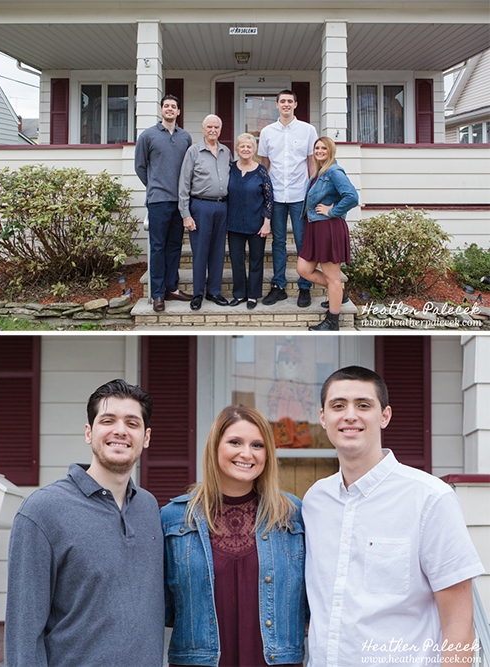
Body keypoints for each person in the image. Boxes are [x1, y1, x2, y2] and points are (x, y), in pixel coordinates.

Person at [303, 366, 483, 666]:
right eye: (338, 406)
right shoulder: (314, 502)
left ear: (384, 416)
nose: (349, 415)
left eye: (363, 405)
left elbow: (459, 623)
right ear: (323, 417)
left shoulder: (430, 499)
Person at [5, 379, 164, 666]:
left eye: (132, 423)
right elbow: (23, 634)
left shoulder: (149, 508)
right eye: (108, 420)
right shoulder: (42, 511)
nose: (120, 430)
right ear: (89, 433)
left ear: (146, 436)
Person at [161, 405, 306, 667]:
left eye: (258, 445)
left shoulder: (293, 515)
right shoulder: (174, 518)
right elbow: (163, 607)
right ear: (215, 447)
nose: (246, 453)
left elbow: (312, 600)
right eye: (235, 442)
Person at [257, 90, 319, 307]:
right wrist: (262, 193)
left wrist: (313, 190)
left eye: (289, 101)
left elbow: (312, 163)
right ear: (276, 105)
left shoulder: (308, 130)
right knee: (279, 242)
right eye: (282, 101)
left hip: (300, 195)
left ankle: (305, 286)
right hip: (276, 195)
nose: (286, 104)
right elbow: (264, 165)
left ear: (295, 104)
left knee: (303, 242)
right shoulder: (267, 132)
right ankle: (279, 286)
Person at [134, 94, 194, 312]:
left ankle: (172, 288)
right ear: (161, 110)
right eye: (166, 106)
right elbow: (140, 167)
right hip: (158, 201)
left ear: (178, 112)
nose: (170, 109)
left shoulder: (185, 137)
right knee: (158, 247)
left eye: (174, 106)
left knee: (174, 247)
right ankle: (158, 293)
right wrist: (154, 186)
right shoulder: (148, 136)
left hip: (180, 201)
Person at [297, 137, 358, 331]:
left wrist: (332, 211)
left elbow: (352, 197)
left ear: (331, 151)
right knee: (303, 269)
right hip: (316, 228)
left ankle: (332, 321)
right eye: (317, 148)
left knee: (332, 277)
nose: (320, 151)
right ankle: (337, 293)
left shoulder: (333, 171)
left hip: (328, 228)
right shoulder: (319, 171)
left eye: (324, 148)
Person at [178, 115, 232, 311]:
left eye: (216, 127)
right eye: (209, 126)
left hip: (222, 207)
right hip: (200, 207)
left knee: (218, 251)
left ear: (220, 129)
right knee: (200, 252)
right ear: (202, 128)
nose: (213, 130)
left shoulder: (226, 152)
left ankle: (214, 292)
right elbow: (184, 184)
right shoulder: (193, 152)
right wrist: (186, 213)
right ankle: (198, 293)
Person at [226, 133, 273, 310]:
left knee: (256, 260)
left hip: (256, 224)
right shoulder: (230, 168)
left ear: (254, 150)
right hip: (234, 224)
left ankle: (252, 295)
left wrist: (267, 222)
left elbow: (269, 198)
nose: (246, 149)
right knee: (236, 260)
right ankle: (239, 294)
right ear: (237, 149)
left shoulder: (261, 170)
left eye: (249, 147)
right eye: (242, 146)